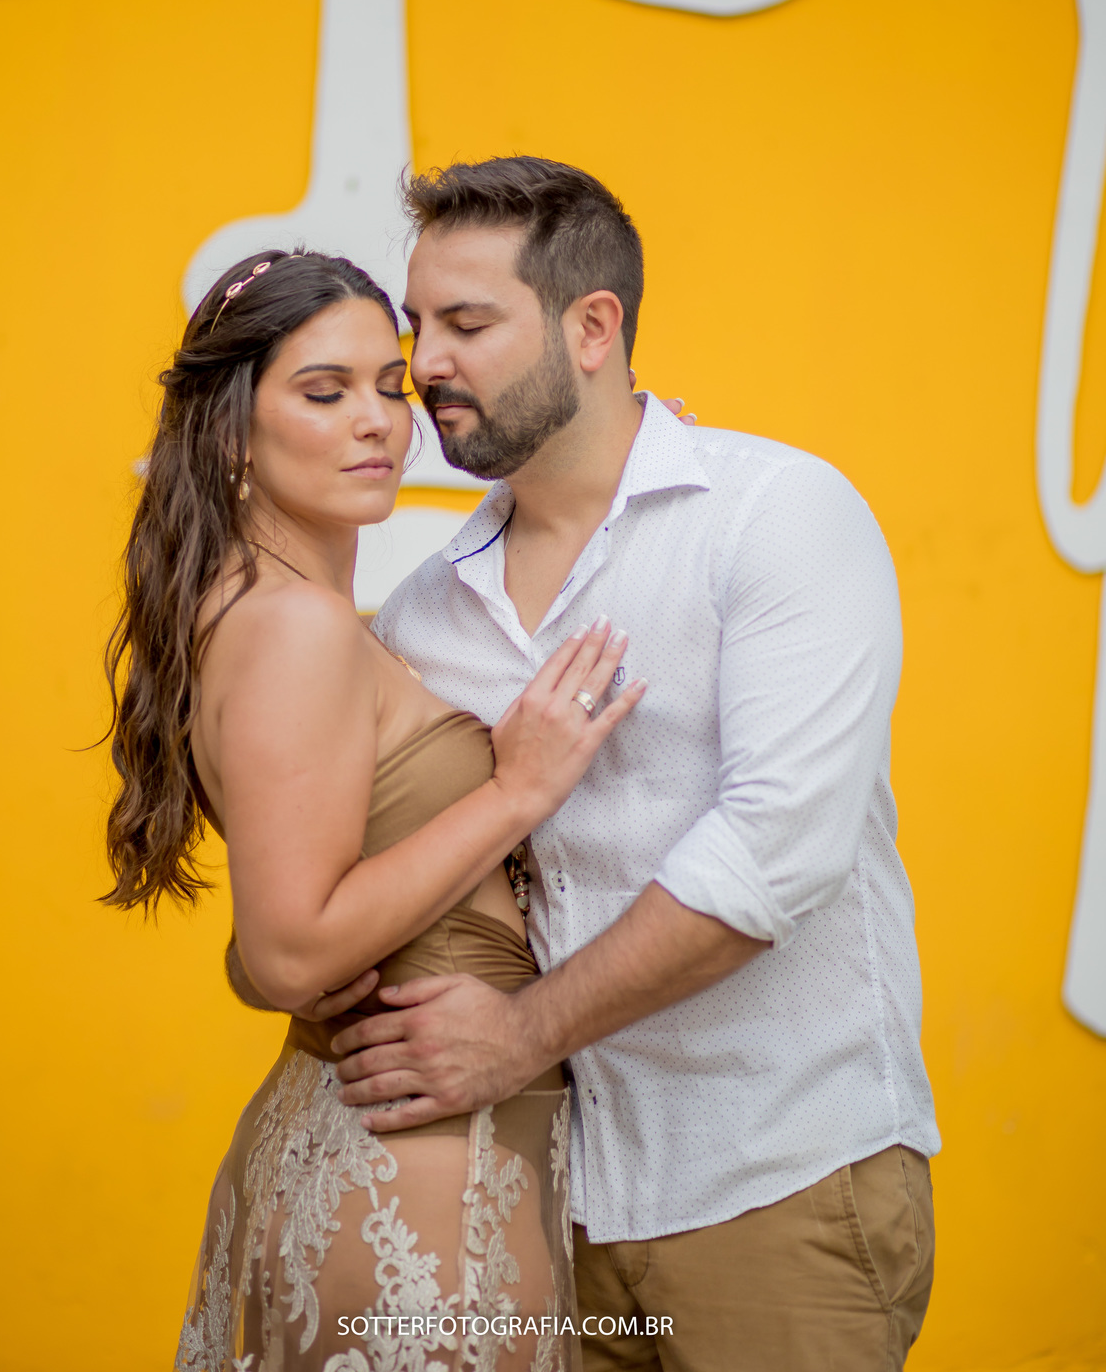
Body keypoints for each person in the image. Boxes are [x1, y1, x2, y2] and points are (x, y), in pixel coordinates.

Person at [323, 157, 940, 1372]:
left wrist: (516, 1033)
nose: (425, 363)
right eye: (416, 326)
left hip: (777, 1180)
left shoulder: (775, 518)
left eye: (468, 322)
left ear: (592, 326)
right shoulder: (424, 617)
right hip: (542, 1211)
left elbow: (771, 857)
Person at [101, 247, 648, 1372]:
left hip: (409, 1144)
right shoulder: (293, 628)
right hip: (411, 1177)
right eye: (323, 392)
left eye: (389, 388)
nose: (377, 423)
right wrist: (518, 790)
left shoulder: (277, 612)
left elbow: (272, 948)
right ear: (228, 432)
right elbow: (293, 948)